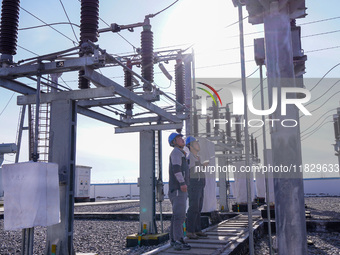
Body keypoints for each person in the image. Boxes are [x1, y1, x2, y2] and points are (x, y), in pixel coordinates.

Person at [168, 132, 191, 251]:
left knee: (176, 216)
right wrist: (182, 183)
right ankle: (178, 240)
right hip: (178, 189)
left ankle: (173, 240)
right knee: (179, 216)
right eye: (178, 138)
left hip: (178, 189)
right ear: (173, 142)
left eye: (181, 137)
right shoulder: (176, 152)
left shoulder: (181, 153)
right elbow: (176, 169)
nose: (182, 139)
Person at [185, 136, 208, 239]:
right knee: (193, 208)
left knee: (198, 208)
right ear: (190, 146)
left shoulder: (197, 157)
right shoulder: (189, 158)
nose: (198, 145)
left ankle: (197, 230)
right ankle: (190, 231)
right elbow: (191, 171)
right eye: (195, 143)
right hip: (193, 185)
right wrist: (202, 166)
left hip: (200, 185)